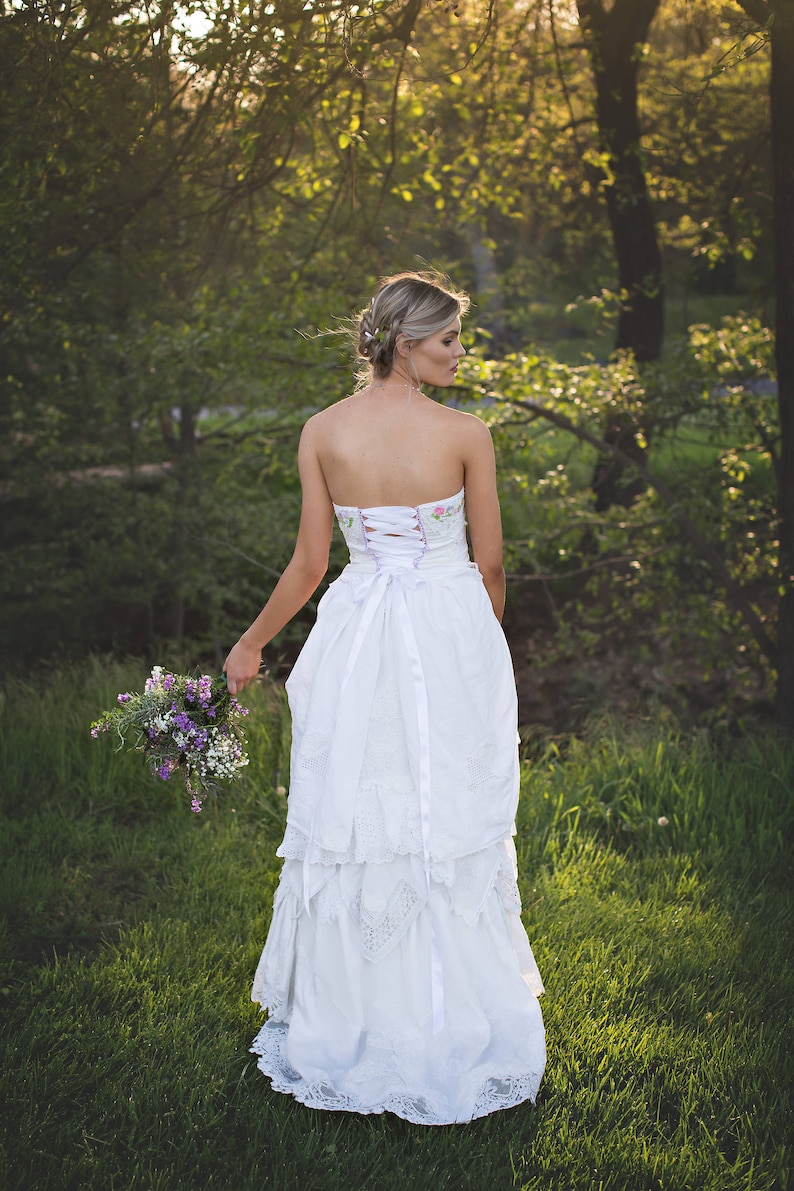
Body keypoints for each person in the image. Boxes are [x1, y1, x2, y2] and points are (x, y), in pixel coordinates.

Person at [223, 271, 546, 1125]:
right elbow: (490, 566)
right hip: (446, 625)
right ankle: (445, 1012)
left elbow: (308, 565)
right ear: (406, 342)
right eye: (448, 341)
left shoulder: (323, 430)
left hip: (356, 632)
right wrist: (483, 644)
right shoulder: (465, 433)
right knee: (438, 805)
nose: (459, 354)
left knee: (361, 803)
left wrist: (254, 642)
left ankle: (356, 1013)